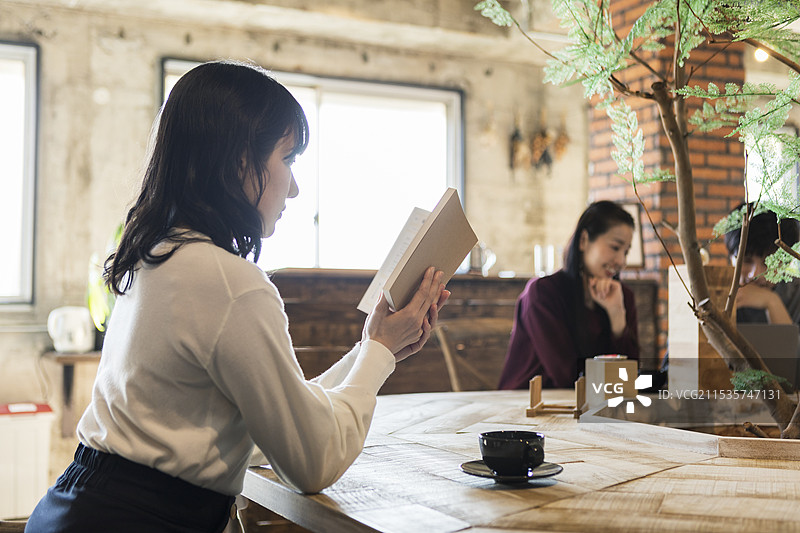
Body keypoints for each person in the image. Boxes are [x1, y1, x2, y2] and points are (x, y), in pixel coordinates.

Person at [26, 60, 449, 533]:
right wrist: (381, 352)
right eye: (286, 160)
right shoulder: (229, 282)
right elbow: (312, 462)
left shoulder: (159, 252)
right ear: (239, 160)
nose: (293, 187)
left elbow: (287, 416)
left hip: (75, 508)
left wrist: (371, 348)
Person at [498, 200, 639, 389]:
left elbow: (632, 375)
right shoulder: (543, 293)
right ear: (583, 241)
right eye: (615, 247)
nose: (621, 261)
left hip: (591, 407)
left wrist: (617, 317)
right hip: (526, 408)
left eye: (626, 252)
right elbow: (567, 376)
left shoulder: (622, 297)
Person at [724, 204, 800, 325]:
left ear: (786, 261)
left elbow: (791, 345)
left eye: (768, 262)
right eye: (746, 260)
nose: (755, 274)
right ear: (730, 257)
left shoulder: (796, 296)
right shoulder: (716, 295)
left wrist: (772, 302)